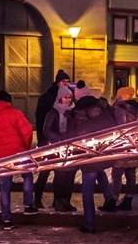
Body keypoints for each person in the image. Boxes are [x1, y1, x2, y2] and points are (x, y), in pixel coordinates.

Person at [0, 90, 35, 230]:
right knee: (27, 176)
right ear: (8, 101)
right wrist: (24, 147)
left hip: (2, 157)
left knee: (5, 187)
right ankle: (28, 206)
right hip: (19, 153)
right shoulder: (15, 113)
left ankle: (7, 220)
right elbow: (27, 131)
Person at [70, 93, 119, 233]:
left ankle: (89, 224)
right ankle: (109, 196)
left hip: (88, 158)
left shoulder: (79, 116)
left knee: (87, 191)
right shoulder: (104, 111)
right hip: (103, 153)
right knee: (100, 170)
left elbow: (74, 135)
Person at [33, 70, 71, 211]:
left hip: (63, 141)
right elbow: (40, 119)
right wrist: (42, 140)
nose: (66, 84)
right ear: (57, 82)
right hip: (48, 140)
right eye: (63, 81)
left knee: (60, 172)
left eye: (68, 82)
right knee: (45, 170)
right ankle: (37, 197)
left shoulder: (68, 97)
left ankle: (58, 200)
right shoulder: (47, 98)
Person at [42, 82, 78, 211]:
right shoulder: (53, 111)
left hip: (72, 148)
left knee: (70, 175)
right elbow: (46, 129)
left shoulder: (74, 111)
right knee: (60, 175)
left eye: (69, 97)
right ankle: (58, 201)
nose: (68, 100)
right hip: (58, 148)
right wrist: (60, 139)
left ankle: (66, 200)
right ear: (60, 98)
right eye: (65, 97)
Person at [111, 97, 138, 210]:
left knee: (116, 174)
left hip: (122, 147)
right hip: (133, 145)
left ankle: (113, 200)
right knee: (131, 175)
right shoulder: (136, 109)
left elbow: (121, 126)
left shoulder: (120, 109)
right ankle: (128, 200)